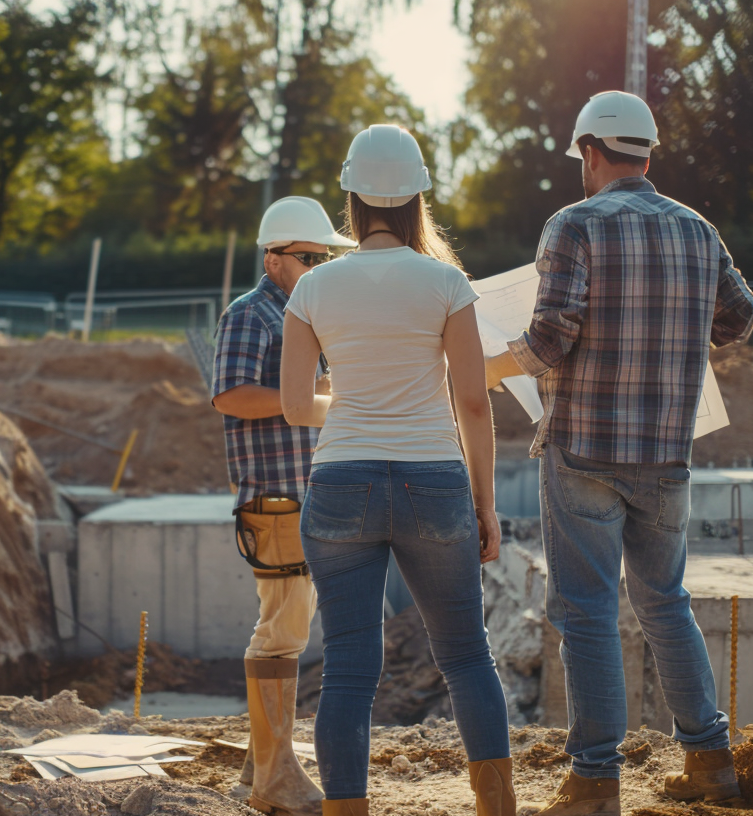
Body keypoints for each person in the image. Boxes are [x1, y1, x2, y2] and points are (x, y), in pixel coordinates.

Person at [485, 91, 753, 816]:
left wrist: (479, 369)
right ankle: (710, 761)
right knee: (667, 603)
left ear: (590, 151)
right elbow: (741, 315)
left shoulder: (574, 225)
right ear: (646, 154)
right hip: (666, 454)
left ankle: (595, 780)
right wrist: (679, 332)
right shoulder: (698, 229)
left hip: (585, 452)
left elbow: (550, 339)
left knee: (585, 612)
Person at [280, 125, 513, 816]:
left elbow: (296, 406)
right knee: (467, 658)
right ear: (417, 200)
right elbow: (471, 401)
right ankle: (497, 807)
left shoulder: (314, 287)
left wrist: (356, 407)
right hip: (433, 483)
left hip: (340, 483)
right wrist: (485, 504)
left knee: (349, 668)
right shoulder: (446, 282)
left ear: (350, 199)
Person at [212, 195, 358, 816]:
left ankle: (260, 763)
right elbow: (231, 396)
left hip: (302, 492)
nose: (319, 267)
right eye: (308, 257)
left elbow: (311, 397)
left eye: (324, 258)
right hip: (274, 497)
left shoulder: (305, 316)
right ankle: (273, 777)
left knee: (283, 624)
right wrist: (301, 395)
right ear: (274, 259)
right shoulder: (253, 316)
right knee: (283, 630)